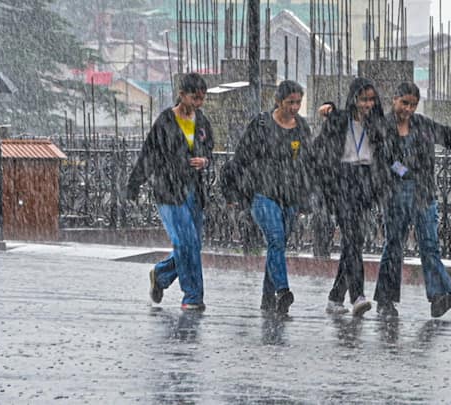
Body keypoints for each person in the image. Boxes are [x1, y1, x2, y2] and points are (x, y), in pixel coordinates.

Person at [373, 82, 451, 318]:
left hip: (423, 193)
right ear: (394, 100)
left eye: (413, 105)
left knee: (430, 244)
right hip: (395, 195)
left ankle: (439, 295)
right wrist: (404, 173)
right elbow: (383, 159)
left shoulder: (423, 125)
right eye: (404, 103)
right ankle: (385, 300)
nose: (408, 109)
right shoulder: (382, 127)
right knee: (394, 245)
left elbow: (447, 134)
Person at [223, 80, 314, 314]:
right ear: (278, 101)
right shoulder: (262, 123)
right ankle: (283, 290)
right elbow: (241, 157)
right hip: (263, 194)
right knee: (275, 239)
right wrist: (233, 191)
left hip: (290, 198)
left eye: (297, 103)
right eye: (289, 102)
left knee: (279, 246)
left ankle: (268, 300)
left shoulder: (302, 128)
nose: (294, 107)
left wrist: (305, 197)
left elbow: (307, 164)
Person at [126, 72, 213, 311]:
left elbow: (209, 147)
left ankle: (162, 274)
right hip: (169, 191)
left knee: (193, 244)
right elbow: (149, 154)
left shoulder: (202, 121)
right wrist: (135, 183)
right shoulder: (165, 121)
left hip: (194, 190)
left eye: (202, 98)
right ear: (182, 95)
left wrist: (204, 160)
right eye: (194, 98)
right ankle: (193, 296)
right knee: (185, 242)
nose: (198, 103)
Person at [314, 77, 392, 317]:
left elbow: (386, 154)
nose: (367, 104)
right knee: (353, 237)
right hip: (342, 182)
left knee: (353, 242)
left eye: (371, 99)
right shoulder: (339, 119)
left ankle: (335, 297)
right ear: (353, 99)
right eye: (363, 99)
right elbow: (320, 149)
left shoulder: (377, 124)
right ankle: (357, 295)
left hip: (365, 183)